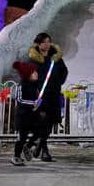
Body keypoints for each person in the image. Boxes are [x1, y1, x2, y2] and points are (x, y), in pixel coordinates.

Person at [28, 33, 68, 162]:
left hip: (54, 95)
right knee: (42, 123)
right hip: (40, 96)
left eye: (49, 41)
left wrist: (57, 82)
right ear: (38, 44)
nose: (47, 44)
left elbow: (64, 71)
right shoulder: (33, 60)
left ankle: (37, 146)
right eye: (44, 42)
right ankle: (44, 151)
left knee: (50, 123)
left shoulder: (56, 58)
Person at [11, 61, 42, 166]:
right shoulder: (21, 86)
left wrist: (39, 103)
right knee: (22, 137)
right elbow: (19, 100)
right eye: (33, 72)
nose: (36, 74)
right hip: (22, 117)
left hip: (33, 116)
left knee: (39, 132)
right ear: (27, 74)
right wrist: (33, 103)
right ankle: (16, 156)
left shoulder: (35, 86)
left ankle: (27, 146)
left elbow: (37, 99)